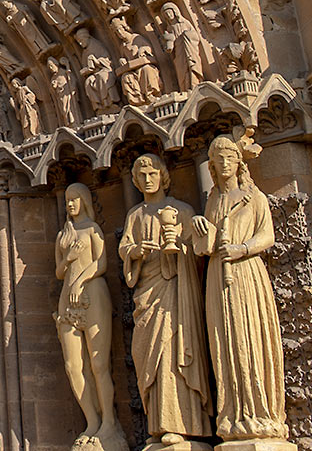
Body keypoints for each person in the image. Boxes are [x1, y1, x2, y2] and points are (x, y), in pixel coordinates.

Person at [192, 132, 288, 441]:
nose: (223, 164)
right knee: (225, 342)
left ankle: (262, 413)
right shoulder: (214, 200)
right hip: (219, 276)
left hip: (246, 272)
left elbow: (267, 236)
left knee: (251, 337)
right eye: (217, 160)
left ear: (238, 162)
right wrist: (201, 231)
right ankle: (233, 413)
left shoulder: (253, 196)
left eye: (229, 158)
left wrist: (242, 248)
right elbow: (206, 245)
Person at [118, 154, 211, 449]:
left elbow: (198, 253)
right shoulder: (136, 215)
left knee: (175, 350)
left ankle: (184, 424)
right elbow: (125, 250)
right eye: (141, 176)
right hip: (148, 291)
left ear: (164, 177)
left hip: (176, 291)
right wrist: (136, 252)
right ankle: (159, 424)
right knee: (151, 358)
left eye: (152, 174)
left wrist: (179, 248)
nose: (147, 180)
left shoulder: (182, 210)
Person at [55, 183, 127, 451]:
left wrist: (80, 279)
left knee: (99, 364)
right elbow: (60, 271)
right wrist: (69, 259)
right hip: (67, 299)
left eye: (74, 199)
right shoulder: (65, 234)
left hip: (93, 293)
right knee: (74, 366)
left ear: (84, 201)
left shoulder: (93, 230)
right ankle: (92, 422)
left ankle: (110, 423)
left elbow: (102, 263)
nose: (70, 204)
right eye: (67, 200)